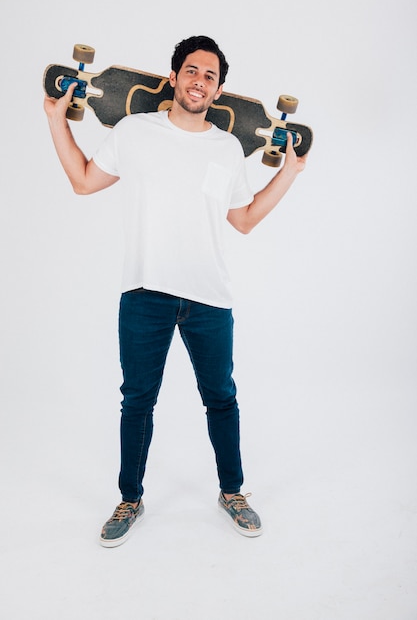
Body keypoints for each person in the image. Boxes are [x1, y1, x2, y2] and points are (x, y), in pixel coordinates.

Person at [44, 35, 307, 547]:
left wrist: (290, 174)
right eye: (191, 71)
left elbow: (245, 219)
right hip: (145, 293)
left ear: (219, 89)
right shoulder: (134, 131)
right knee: (137, 401)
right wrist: (57, 119)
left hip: (209, 297)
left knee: (222, 399)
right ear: (173, 77)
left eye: (209, 75)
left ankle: (232, 491)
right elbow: (82, 181)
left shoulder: (229, 148)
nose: (199, 81)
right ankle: (130, 498)